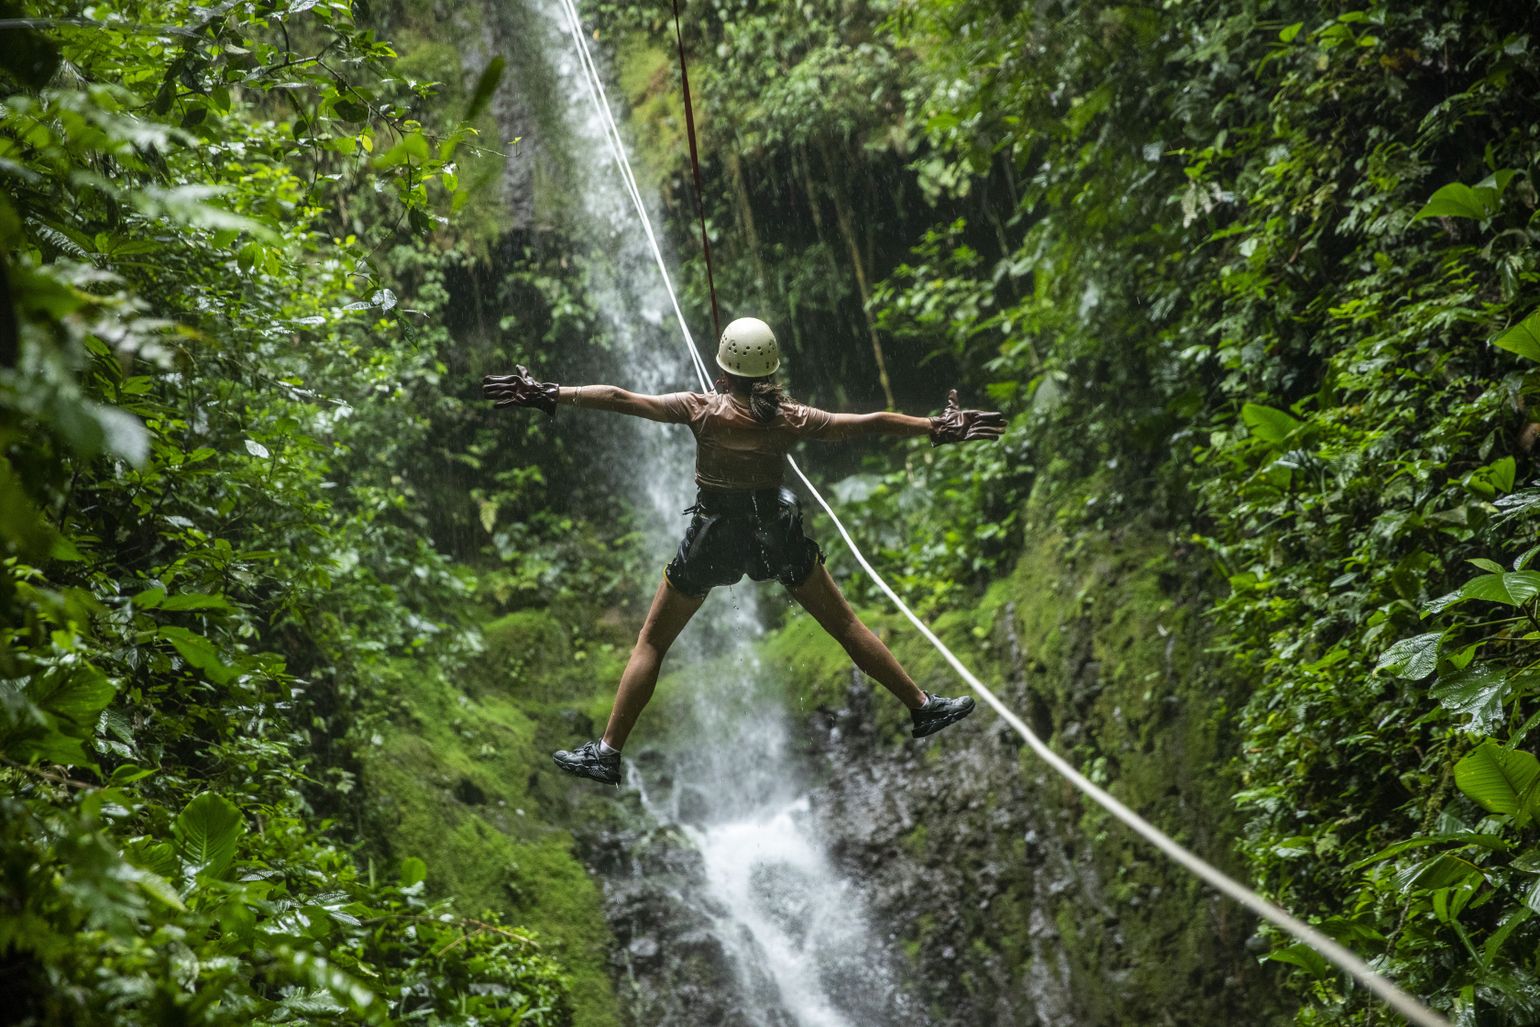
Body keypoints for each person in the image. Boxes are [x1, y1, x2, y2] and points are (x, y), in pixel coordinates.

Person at [482, 317, 1006, 785]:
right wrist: (934, 427)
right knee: (845, 626)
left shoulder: (700, 410)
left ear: (724, 370)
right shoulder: (791, 418)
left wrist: (550, 393)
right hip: (774, 533)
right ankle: (920, 705)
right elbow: (867, 423)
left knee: (651, 643)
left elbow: (622, 398)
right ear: (772, 369)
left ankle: (607, 752)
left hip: (715, 535)